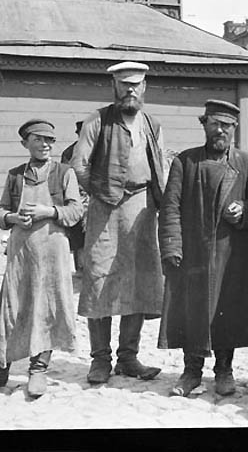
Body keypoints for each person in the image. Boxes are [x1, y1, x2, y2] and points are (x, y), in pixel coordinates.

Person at [158, 100, 248, 397]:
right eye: (215, 124)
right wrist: (171, 247)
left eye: (227, 126)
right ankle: (191, 371)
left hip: (231, 255)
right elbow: (171, 207)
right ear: (204, 125)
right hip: (192, 253)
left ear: (235, 129)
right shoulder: (186, 161)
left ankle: (224, 370)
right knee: (191, 311)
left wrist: (245, 209)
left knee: (226, 311)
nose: (220, 131)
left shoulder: (247, 164)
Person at [70, 61, 166, 384]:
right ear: (114, 87)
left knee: (137, 279)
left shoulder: (151, 124)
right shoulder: (97, 121)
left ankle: (128, 357)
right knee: (100, 278)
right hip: (105, 209)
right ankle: (100, 360)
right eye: (124, 84)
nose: (130, 90)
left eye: (136, 85)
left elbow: (161, 166)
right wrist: (102, 191)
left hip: (142, 209)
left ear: (144, 88)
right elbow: (78, 165)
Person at [0, 119, 84, 398]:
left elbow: (75, 212)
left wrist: (49, 211)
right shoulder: (15, 176)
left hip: (53, 252)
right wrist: (12, 217)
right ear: (26, 143)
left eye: (50, 140)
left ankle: (38, 369)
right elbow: (0, 211)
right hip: (21, 252)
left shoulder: (64, 173)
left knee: (47, 308)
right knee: (10, 309)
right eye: (38, 140)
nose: (45, 145)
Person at [61, 120, 87, 271]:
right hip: (77, 196)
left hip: (95, 196)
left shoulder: (100, 149)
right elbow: (64, 175)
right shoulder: (69, 152)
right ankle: (80, 267)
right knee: (78, 234)